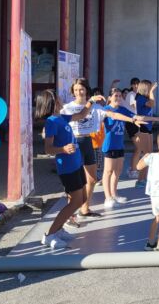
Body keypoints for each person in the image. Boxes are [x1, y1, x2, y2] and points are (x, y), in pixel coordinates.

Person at [35, 89, 134, 248]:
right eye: (58, 98)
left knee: (80, 199)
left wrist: (91, 101)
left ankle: (58, 230)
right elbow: (48, 149)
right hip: (67, 168)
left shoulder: (62, 117)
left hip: (76, 164)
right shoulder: (51, 122)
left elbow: (81, 115)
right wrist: (62, 149)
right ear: (51, 103)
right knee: (74, 202)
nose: (61, 100)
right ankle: (50, 234)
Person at [101, 88, 159, 208]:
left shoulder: (123, 109)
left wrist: (156, 119)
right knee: (108, 171)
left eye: (119, 96)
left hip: (119, 145)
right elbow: (116, 116)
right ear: (110, 98)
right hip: (109, 145)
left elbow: (138, 117)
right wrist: (132, 119)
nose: (118, 98)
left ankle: (114, 194)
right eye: (115, 96)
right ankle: (107, 198)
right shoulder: (106, 110)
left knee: (117, 172)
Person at [60, 78, 104, 223]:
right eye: (76, 89)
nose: (79, 92)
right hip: (74, 143)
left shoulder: (94, 106)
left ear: (86, 90)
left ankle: (85, 209)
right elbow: (61, 123)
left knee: (91, 179)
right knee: (75, 182)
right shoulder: (67, 107)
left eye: (82, 89)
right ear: (73, 91)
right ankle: (70, 216)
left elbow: (112, 114)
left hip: (88, 142)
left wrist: (133, 118)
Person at [134, 80, 159, 188]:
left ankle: (144, 178)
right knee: (146, 155)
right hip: (143, 128)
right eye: (149, 87)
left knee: (149, 154)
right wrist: (152, 92)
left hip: (148, 128)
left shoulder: (145, 98)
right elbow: (152, 104)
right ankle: (140, 179)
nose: (151, 89)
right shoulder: (140, 98)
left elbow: (150, 106)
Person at [125, 78, 141, 179]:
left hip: (138, 122)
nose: (136, 86)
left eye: (137, 84)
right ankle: (132, 169)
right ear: (131, 85)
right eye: (134, 84)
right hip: (132, 122)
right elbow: (135, 106)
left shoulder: (138, 95)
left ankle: (134, 168)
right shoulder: (131, 94)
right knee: (139, 147)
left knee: (139, 148)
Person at [90, 88, 106, 184]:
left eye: (100, 95)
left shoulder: (103, 108)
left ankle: (99, 177)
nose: (99, 98)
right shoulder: (90, 108)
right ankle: (95, 177)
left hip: (101, 139)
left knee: (100, 159)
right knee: (94, 160)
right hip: (92, 139)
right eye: (96, 95)